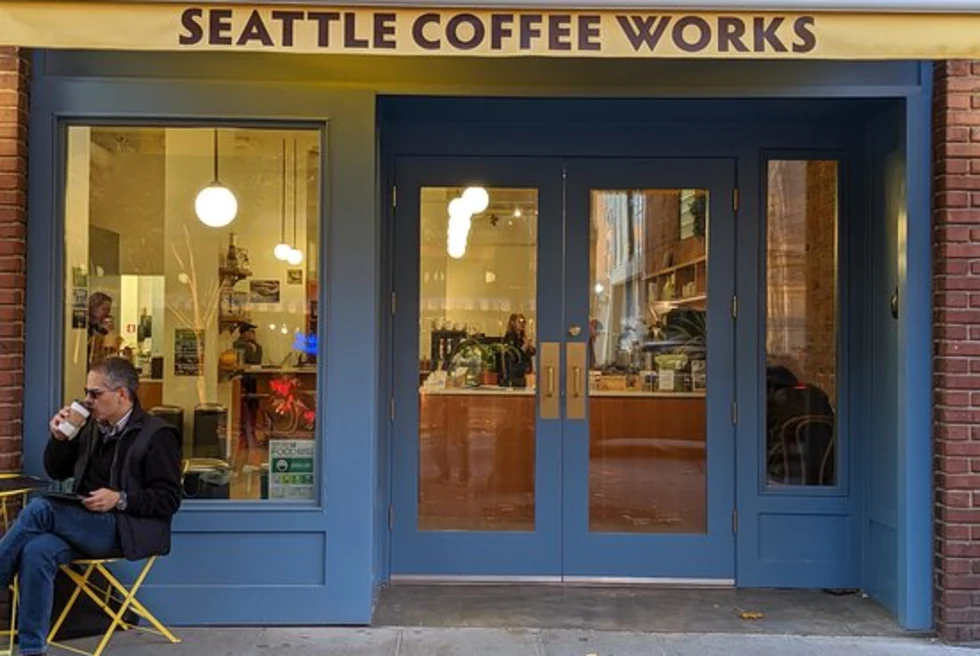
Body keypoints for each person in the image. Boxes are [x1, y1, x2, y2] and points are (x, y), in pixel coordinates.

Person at [0, 357, 182, 656]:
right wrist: (60, 438)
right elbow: (57, 471)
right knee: (36, 550)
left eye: (95, 394)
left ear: (121, 394)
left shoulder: (157, 434)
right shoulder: (90, 427)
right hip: (86, 523)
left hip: (126, 528)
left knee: (41, 508)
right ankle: (32, 649)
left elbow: (169, 499)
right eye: (86, 392)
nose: (87, 400)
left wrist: (120, 498)